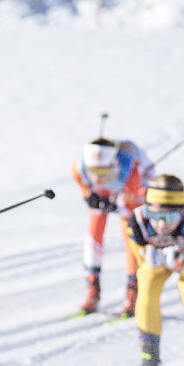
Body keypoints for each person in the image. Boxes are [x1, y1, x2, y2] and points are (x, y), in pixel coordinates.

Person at [72, 136, 154, 317]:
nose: (97, 177)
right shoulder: (81, 167)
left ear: (113, 165)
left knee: (131, 234)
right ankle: (92, 289)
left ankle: (132, 291)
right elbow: (82, 182)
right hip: (112, 188)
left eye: (102, 171)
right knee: (93, 232)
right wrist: (88, 195)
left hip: (136, 188)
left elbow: (130, 206)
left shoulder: (130, 169)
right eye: (93, 171)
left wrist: (117, 204)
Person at [124, 174, 184, 366]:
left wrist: (183, 263)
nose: (162, 224)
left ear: (182, 212)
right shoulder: (138, 222)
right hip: (159, 259)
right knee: (147, 286)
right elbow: (139, 257)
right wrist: (147, 257)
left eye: (170, 216)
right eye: (156, 215)